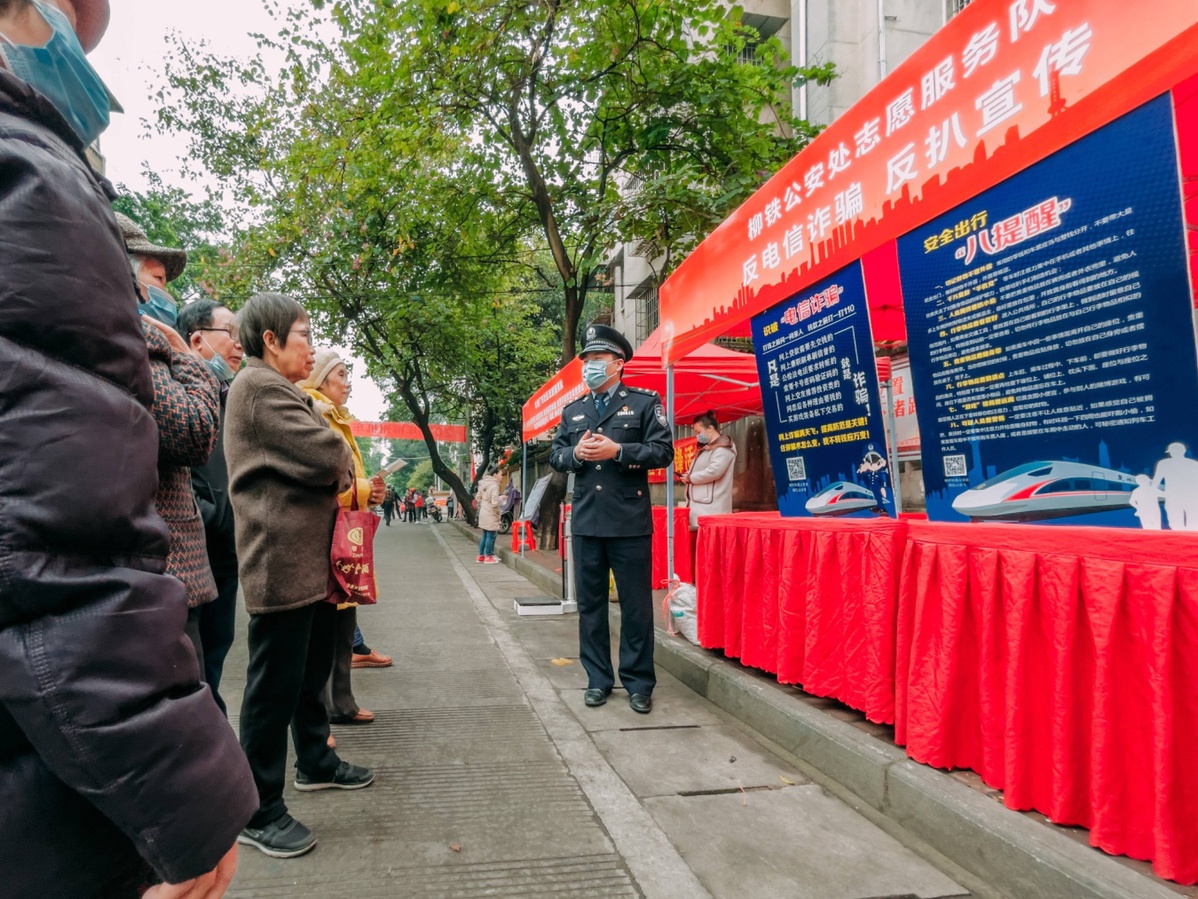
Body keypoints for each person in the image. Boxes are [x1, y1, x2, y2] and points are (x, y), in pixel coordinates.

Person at [0, 0, 256, 894]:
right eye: (74, 14)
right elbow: (58, 538)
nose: (78, 41)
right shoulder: (28, 176)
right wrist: (186, 792)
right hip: (73, 706)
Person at [224, 293, 375, 859]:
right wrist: (329, 444)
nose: (310, 346)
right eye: (303, 333)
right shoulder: (259, 387)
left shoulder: (280, 390)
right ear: (271, 339)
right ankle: (258, 809)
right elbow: (329, 458)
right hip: (279, 561)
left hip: (305, 560)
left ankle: (315, 761)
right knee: (272, 688)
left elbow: (330, 462)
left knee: (307, 672)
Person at [119, 214, 224, 677]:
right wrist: (182, 352)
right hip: (166, 568)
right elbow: (193, 430)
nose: (161, 294)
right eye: (157, 279)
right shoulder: (135, 340)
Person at [550, 324, 673, 714]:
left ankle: (638, 683)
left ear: (618, 364)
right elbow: (556, 455)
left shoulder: (643, 402)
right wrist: (577, 456)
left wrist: (619, 450)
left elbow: (662, 451)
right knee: (591, 607)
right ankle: (598, 680)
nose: (590, 367)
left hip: (629, 522)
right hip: (587, 521)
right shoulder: (573, 411)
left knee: (636, 606)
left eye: (597, 360)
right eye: (586, 361)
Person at [298, 348, 386, 728]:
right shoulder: (315, 412)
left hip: (343, 532)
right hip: (327, 534)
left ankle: (341, 703)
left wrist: (369, 491)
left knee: (343, 622)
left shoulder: (337, 418)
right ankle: (321, 715)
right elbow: (326, 478)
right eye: (341, 375)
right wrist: (364, 489)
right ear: (321, 380)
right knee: (325, 630)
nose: (348, 382)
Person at [177, 300, 244, 713]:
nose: (239, 345)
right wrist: (209, 515)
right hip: (192, 552)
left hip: (226, 554)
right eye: (230, 334)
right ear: (197, 339)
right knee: (193, 666)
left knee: (216, 652)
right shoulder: (172, 390)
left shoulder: (229, 397)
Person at [682, 410, 737, 560]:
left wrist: (691, 478)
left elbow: (714, 471)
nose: (697, 435)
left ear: (710, 428)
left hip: (711, 507)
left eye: (698, 431)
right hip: (701, 505)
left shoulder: (723, 448)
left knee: (712, 550)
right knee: (701, 549)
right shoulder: (706, 448)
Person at [476, 463, 502, 563]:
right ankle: (488, 556)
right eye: (500, 474)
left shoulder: (483, 483)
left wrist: (485, 501)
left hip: (483, 511)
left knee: (485, 535)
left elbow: (478, 498)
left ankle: (481, 556)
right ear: (495, 475)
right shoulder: (494, 485)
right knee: (490, 536)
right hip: (490, 513)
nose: (501, 476)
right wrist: (497, 514)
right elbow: (495, 503)